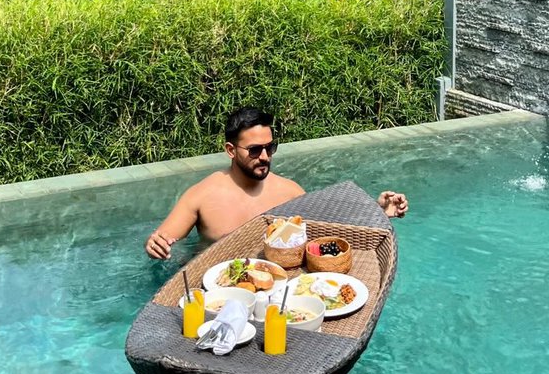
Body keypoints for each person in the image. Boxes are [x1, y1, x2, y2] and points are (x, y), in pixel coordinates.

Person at [144, 105, 409, 260]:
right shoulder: (201, 196)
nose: (264, 156)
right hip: (218, 286)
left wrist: (378, 211)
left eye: (270, 148)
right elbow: (164, 240)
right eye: (254, 150)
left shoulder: (290, 192)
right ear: (230, 150)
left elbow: (329, 229)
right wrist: (155, 244)